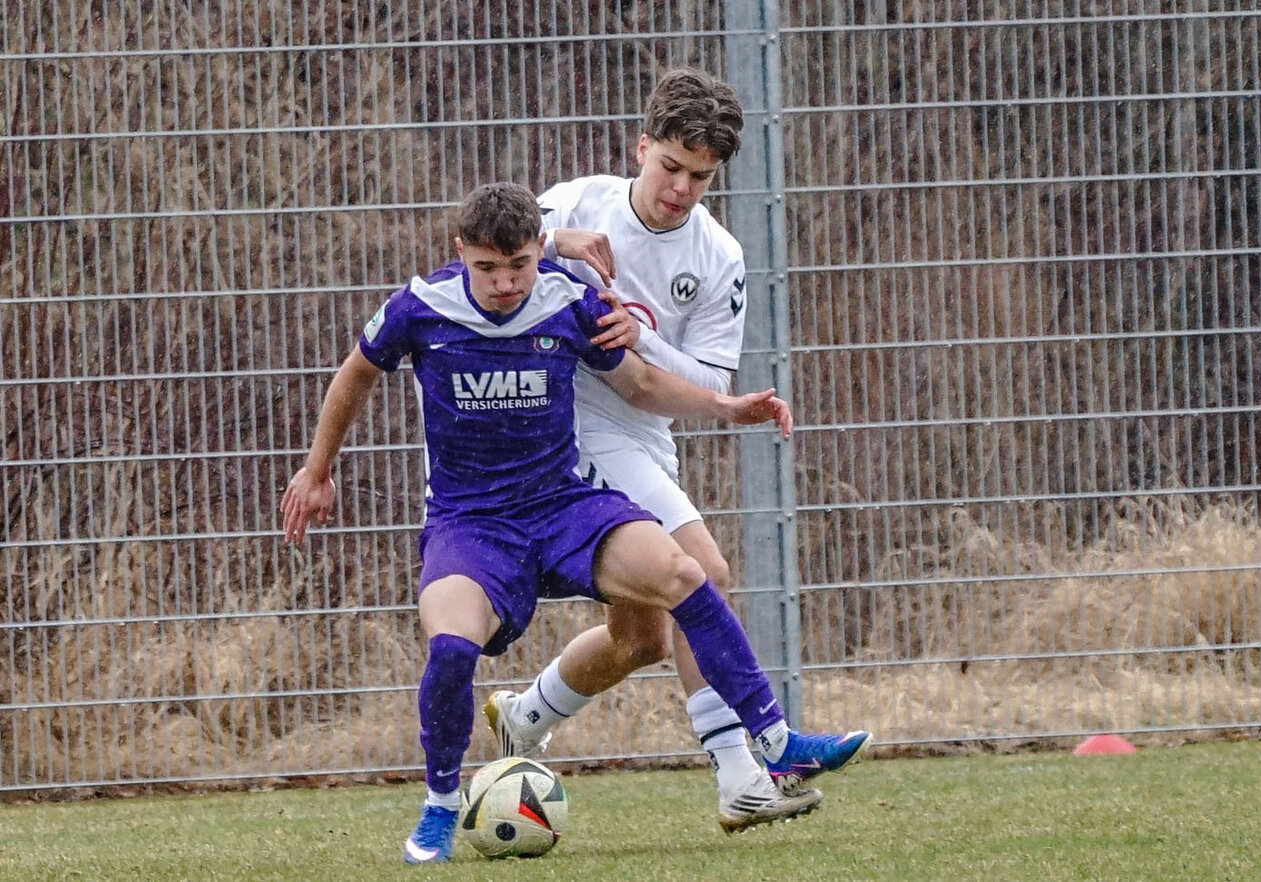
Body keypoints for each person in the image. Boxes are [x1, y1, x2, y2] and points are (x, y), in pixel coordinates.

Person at [280, 182, 866, 864]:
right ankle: (441, 804)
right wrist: (317, 470)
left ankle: (773, 740)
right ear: (461, 254)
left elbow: (641, 385)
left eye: (519, 265)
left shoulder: (567, 299)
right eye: (488, 269)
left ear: (539, 252)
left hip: (563, 506)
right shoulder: (423, 305)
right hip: (472, 523)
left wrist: (727, 407)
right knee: (450, 647)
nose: (505, 283)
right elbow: (355, 374)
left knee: (686, 572)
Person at [482, 68, 872, 833]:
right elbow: (480, 249)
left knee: (644, 636)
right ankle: (743, 776)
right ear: (642, 147)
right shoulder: (577, 203)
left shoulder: (719, 255)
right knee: (705, 574)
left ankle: (524, 715)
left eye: (700, 176)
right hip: (569, 428)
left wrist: (643, 334)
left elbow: (703, 377)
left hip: (644, 433)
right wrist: (552, 240)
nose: (680, 189)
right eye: (670, 167)